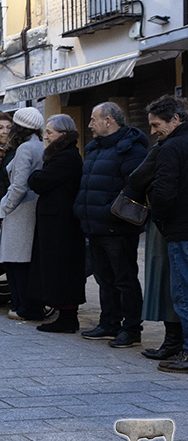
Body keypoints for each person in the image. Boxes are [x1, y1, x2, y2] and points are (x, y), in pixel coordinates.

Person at [74, 102, 148, 348]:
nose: (89, 124)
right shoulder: (94, 148)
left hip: (117, 226)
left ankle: (131, 329)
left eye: (93, 119)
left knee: (124, 278)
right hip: (94, 225)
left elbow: (135, 186)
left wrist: (109, 211)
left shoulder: (131, 149)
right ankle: (109, 323)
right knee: (104, 278)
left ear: (109, 121)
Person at [142, 96, 188, 372]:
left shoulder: (171, 147)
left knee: (183, 295)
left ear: (175, 120)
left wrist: (158, 215)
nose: (152, 131)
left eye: (156, 124)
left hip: (181, 231)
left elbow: (164, 191)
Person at [28, 114, 85, 333]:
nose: (47, 136)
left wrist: (35, 176)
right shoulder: (62, 155)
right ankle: (64, 314)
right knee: (56, 268)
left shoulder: (66, 157)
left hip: (62, 222)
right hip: (56, 220)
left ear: (62, 134)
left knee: (62, 269)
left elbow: (39, 181)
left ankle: (68, 317)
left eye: (50, 132)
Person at [0, 107, 44, 320]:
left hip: (20, 210)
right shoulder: (40, 146)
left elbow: (19, 185)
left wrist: (6, 207)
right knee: (22, 261)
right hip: (30, 208)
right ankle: (25, 305)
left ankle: (22, 306)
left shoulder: (25, 148)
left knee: (16, 262)